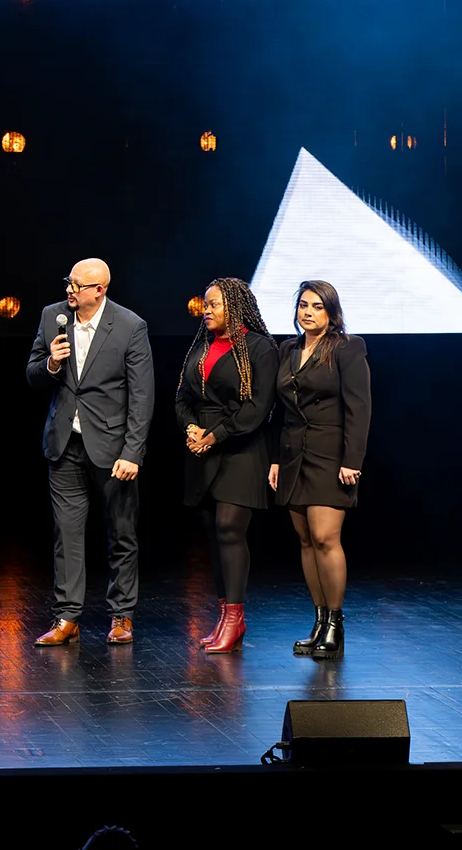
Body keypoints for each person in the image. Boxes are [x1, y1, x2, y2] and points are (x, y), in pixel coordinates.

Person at [26, 258, 154, 646]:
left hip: (113, 449)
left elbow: (142, 395)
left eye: (77, 285)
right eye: (69, 282)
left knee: (121, 532)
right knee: (66, 534)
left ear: (99, 290)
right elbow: (32, 374)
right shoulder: (52, 317)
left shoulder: (130, 326)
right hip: (64, 443)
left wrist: (133, 451)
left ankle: (122, 615)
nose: (69, 290)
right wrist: (51, 362)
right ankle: (67, 617)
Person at [177, 277, 279, 655]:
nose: (206, 311)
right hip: (202, 450)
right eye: (205, 304)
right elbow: (182, 397)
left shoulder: (260, 347)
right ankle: (224, 616)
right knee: (213, 534)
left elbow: (258, 407)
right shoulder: (201, 345)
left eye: (214, 304)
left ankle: (236, 618)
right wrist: (190, 427)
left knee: (229, 529)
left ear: (235, 306)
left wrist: (215, 435)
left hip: (241, 449)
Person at [270, 280, 371, 659]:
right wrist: (277, 458)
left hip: (331, 454)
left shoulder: (347, 347)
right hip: (294, 454)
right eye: (303, 305)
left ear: (331, 312)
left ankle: (335, 624)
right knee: (306, 540)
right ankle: (318, 621)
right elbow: (281, 411)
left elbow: (359, 408)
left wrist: (352, 461)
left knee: (326, 537)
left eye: (317, 306)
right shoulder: (288, 349)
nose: (308, 312)